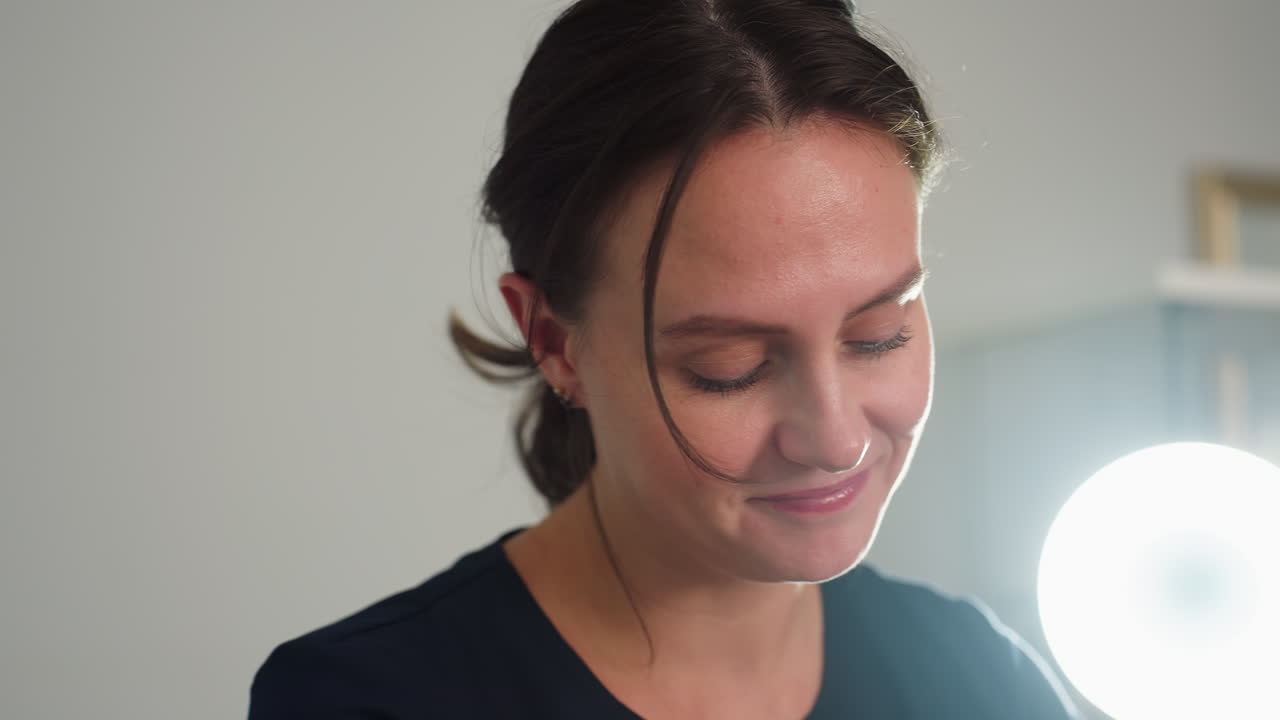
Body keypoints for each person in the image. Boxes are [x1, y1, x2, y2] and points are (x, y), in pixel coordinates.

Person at [249, 0, 1081, 717]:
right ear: (554, 343)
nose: (834, 441)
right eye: (731, 366)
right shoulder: (363, 701)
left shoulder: (984, 681)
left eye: (878, 335)